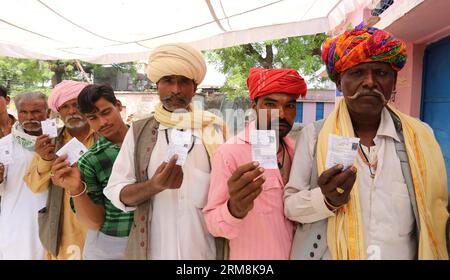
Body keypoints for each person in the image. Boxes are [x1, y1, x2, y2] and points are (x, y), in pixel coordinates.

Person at [284, 23, 449, 260]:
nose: (370, 82)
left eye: (381, 73)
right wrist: (326, 200)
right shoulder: (314, 136)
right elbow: (290, 206)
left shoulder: (420, 137)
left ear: (393, 81)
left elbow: (436, 209)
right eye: (357, 73)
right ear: (339, 83)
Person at [103, 43, 227, 260]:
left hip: (203, 252)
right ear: (157, 85)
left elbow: (226, 189)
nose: (176, 89)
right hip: (154, 251)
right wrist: (154, 185)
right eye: (168, 80)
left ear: (194, 87)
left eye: (184, 81)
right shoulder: (139, 131)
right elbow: (116, 191)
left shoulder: (213, 129)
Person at [203, 67, 307, 259]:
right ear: (254, 106)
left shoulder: (297, 150)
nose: (281, 114)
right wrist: (235, 209)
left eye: (290, 106)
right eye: (270, 104)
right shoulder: (230, 152)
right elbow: (212, 223)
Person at [50, 84, 131, 260]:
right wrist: (76, 188)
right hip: (110, 248)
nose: (103, 122)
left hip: (155, 240)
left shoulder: (148, 141)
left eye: (106, 112)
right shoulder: (91, 159)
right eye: (93, 117)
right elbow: (94, 222)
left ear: (118, 106)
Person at [24, 80, 99, 260]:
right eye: (65, 107)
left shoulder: (103, 136)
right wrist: (45, 158)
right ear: (58, 112)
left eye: (76, 105)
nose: (72, 111)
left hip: (98, 226)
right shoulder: (50, 141)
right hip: (63, 232)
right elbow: (35, 187)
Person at [0, 92, 49, 259]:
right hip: (17, 223)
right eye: (23, 112)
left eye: (36, 111)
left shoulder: (59, 142)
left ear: (48, 113)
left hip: (53, 220)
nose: (30, 117)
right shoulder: (4, 145)